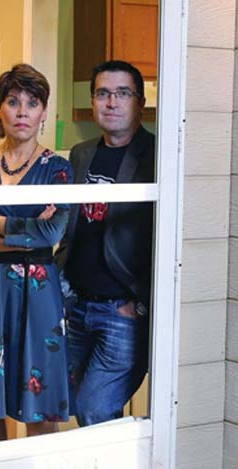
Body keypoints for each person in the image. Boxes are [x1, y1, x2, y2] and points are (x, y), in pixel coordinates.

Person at [0, 63, 73, 444]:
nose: (22, 112)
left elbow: (50, 233)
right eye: (13, 102)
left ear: (43, 112)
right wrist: (22, 232)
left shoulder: (58, 170)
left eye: (32, 104)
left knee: (41, 411)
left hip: (39, 298)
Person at [55, 60, 155, 426]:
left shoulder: (158, 157)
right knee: (57, 402)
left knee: (95, 409)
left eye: (122, 93)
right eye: (102, 93)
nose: (111, 102)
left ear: (140, 103)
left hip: (122, 313)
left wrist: (140, 303)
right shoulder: (81, 154)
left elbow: (169, 238)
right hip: (74, 304)